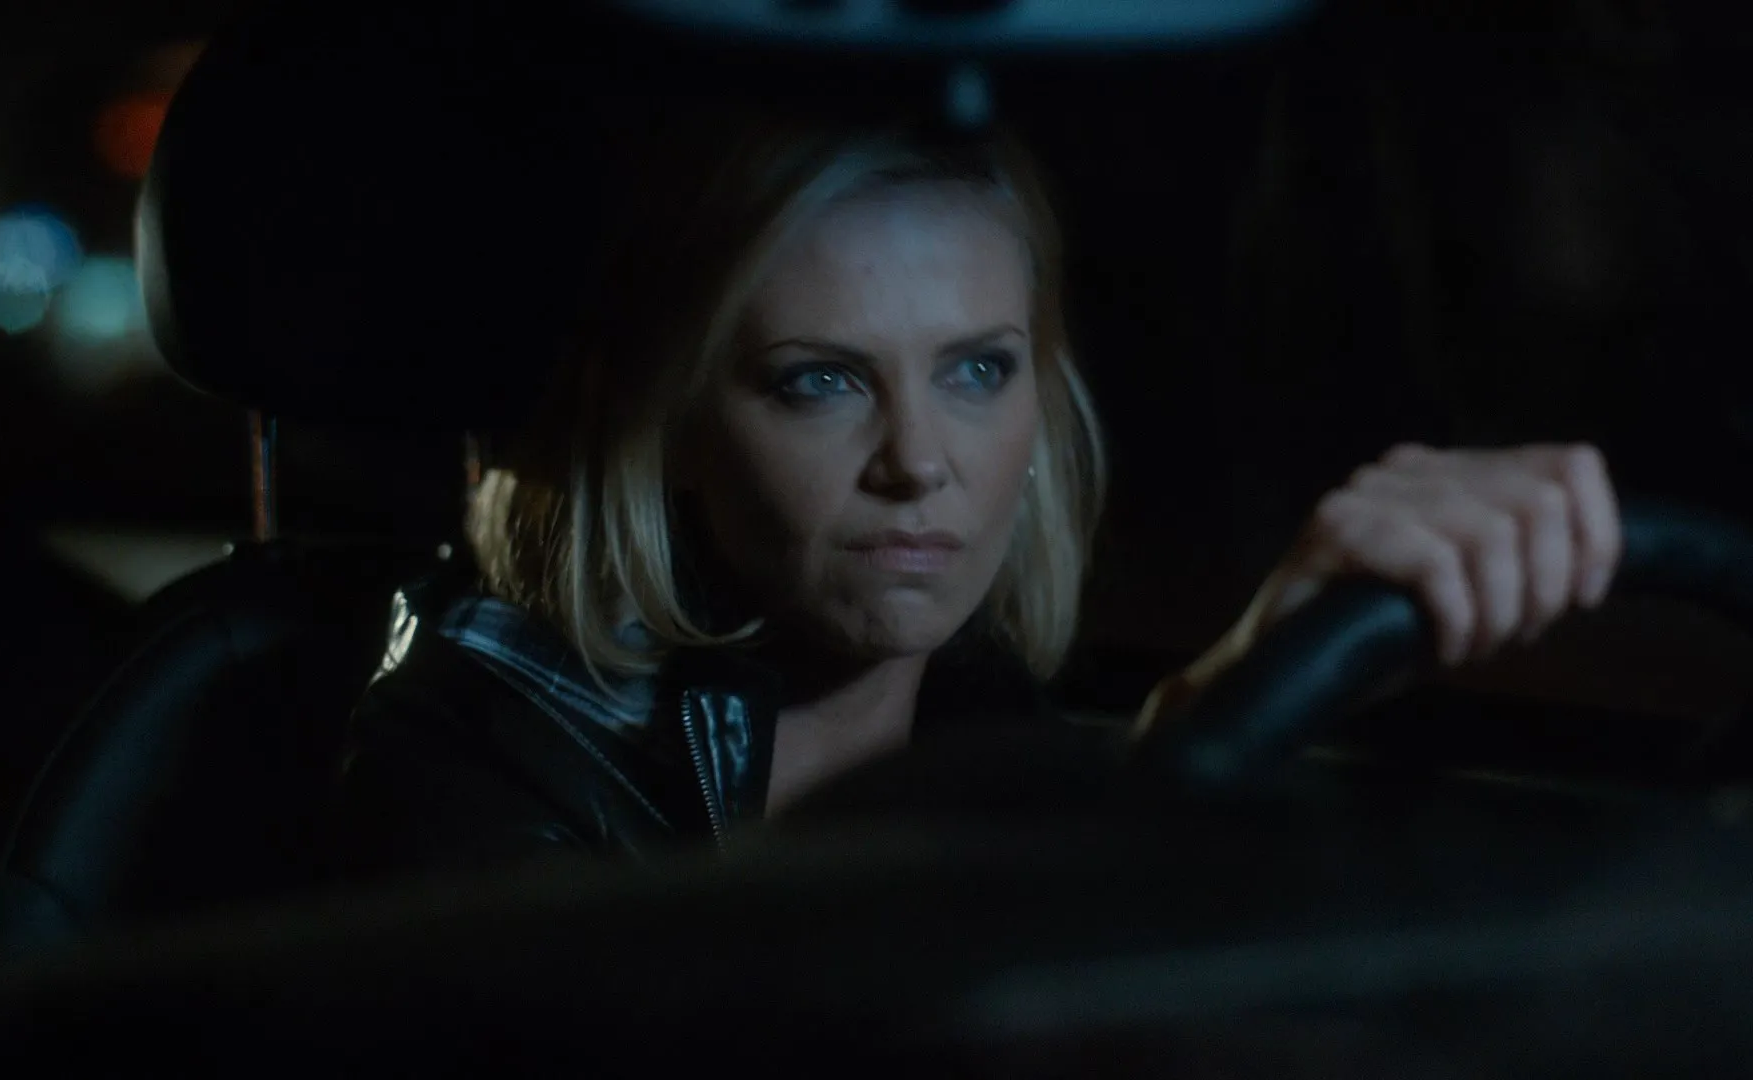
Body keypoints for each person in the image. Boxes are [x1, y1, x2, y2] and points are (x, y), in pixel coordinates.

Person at [334, 112, 1622, 875]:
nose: (917, 460)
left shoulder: (993, 735)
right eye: (820, 382)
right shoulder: (480, 768)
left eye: (977, 370)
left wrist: (1238, 709)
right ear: (668, 426)